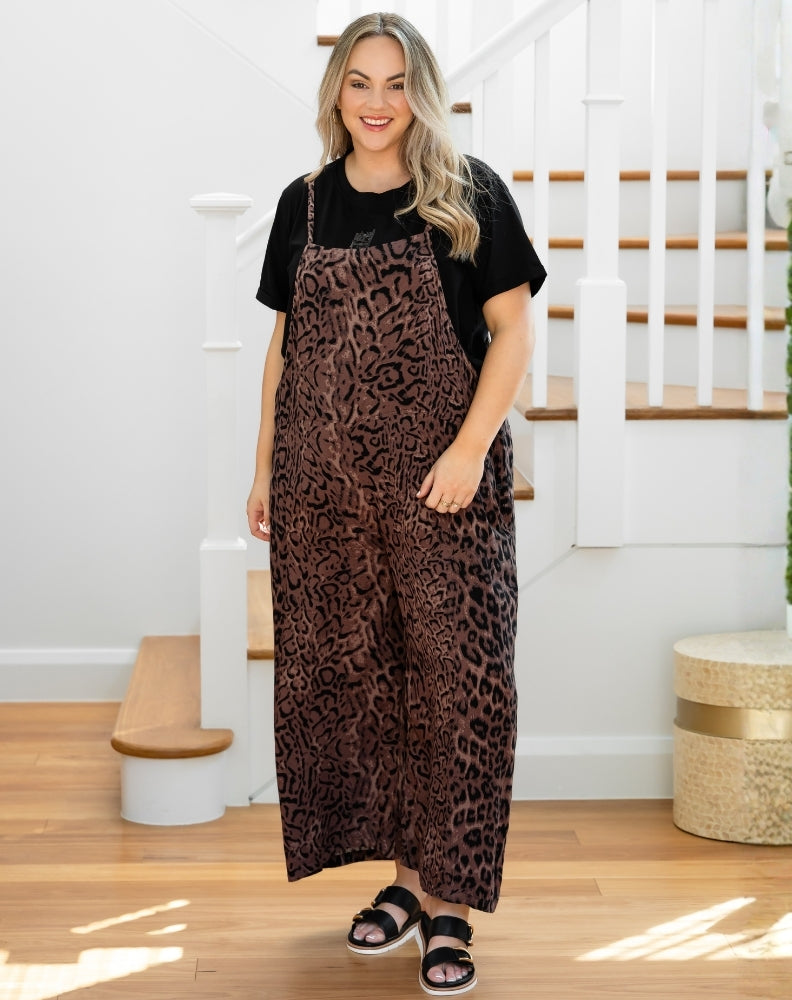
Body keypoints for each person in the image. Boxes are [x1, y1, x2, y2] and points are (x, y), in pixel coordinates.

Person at [246, 12, 546, 996]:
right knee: (361, 686)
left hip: (442, 486)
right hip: (324, 491)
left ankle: (452, 907)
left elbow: (511, 334)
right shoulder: (305, 206)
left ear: (423, 91)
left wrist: (467, 450)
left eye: (396, 82)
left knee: (458, 688)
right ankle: (409, 885)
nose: (379, 104)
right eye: (360, 83)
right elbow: (286, 353)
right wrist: (263, 472)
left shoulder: (469, 194)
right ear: (337, 91)